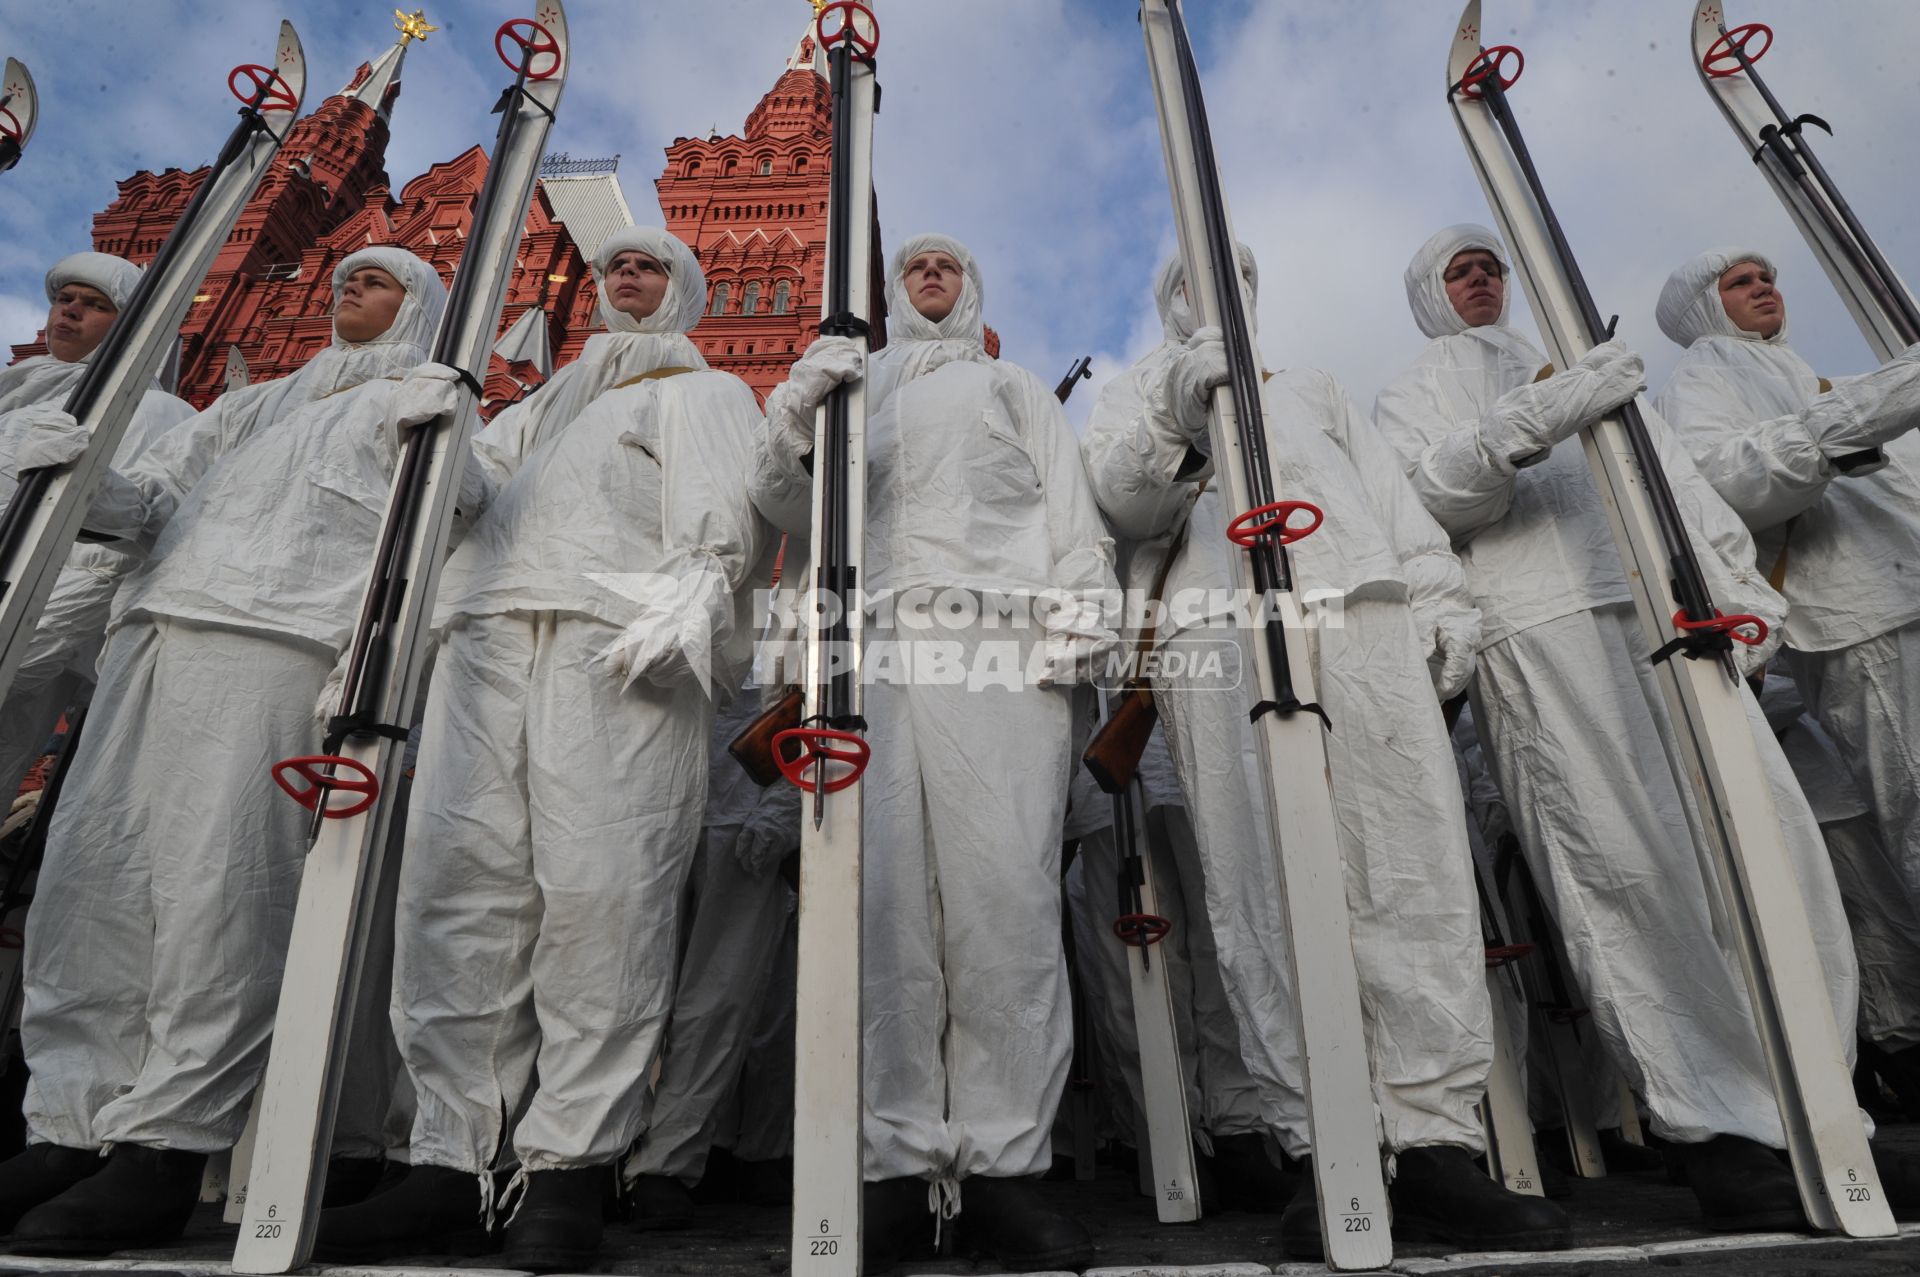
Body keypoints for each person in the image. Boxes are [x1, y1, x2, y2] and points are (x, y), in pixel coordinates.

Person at [1373, 224, 1876, 1230]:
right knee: (1627, 870)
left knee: (1772, 857)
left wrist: (1739, 590)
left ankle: (1826, 1117)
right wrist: (1532, 416)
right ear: (1431, 294)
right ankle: (1719, 1132)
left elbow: (1674, 481)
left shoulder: (1591, 355)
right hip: (1540, 626)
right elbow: (1423, 499)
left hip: (1661, 606)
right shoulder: (1414, 384)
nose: (1481, 280)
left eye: (1490, 265)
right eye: (1458, 271)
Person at [1081, 246, 1564, 1260]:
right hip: (1219, 630)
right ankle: (1319, 1140)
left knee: (1409, 866)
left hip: (1362, 617)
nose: (1213, 297)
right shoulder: (1140, 391)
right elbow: (1126, 505)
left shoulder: (1314, 387)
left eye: (1230, 280)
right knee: (1265, 885)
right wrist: (1179, 405)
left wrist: (1435, 590)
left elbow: (1391, 498)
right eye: (1189, 285)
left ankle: (1434, 1141)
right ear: (1166, 302)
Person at [316, 227, 773, 1273]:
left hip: (613, 643)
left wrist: (693, 591)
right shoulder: (545, 405)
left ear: (686, 290)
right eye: (617, 265)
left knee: (601, 891)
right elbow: (469, 502)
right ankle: (448, 1156)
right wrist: (435, 438)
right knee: (461, 891)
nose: (626, 276)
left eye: (650, 266)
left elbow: (719, 512)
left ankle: (566, 1162)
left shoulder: (700, 392)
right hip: (484, 632)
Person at [0, 247, 445, 1254]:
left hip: (275, 638)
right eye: (342, 277)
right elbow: (154, 500)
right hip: (154, 624)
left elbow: (455, 514)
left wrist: (448, 433)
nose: (345, 290)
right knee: (93, 882)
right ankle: (70, 1122)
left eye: (375, 283)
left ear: (418, 305)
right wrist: (83, 481)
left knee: (218, 890)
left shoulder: (422, 395)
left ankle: (165, 1140)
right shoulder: (259, 400)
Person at [749, 234, 1115, 1272]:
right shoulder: (853, 392)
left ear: (974, 288)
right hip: (876, 653)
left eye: (948, 265)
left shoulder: (1012, 389)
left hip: (1001, 644)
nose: (930, 277)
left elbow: (1070, 510)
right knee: (885, 902)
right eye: (915, 266)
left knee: (1004, 897)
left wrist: (1080, 624)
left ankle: (1004, 1165)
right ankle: (897, 1162)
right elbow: (785, 507)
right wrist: (797, 407)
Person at [1653, 250, 1920, 910]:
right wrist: (1845, 425)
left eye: (1766, 278)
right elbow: (1729, 479)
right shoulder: (1700, 378)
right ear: (1704, 308)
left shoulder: (1806, 374)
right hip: (1856, 622)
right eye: (1739, 283)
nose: (1763, 289)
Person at [0, 252, 192, 801]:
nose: (70, 313)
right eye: (65, 300)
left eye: (94, 305)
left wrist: (31, 635)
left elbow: (133, 544)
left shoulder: (157, 412)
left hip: (33, 614)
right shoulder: (19, 394)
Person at [625, 677, 799, 1224]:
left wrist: (787, 806)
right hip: (645, 802)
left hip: (749, 811)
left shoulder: (809, 591)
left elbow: (838, 694)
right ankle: (601, 1157)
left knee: (725, 1004)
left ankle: (668, 1164)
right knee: (622, 992)